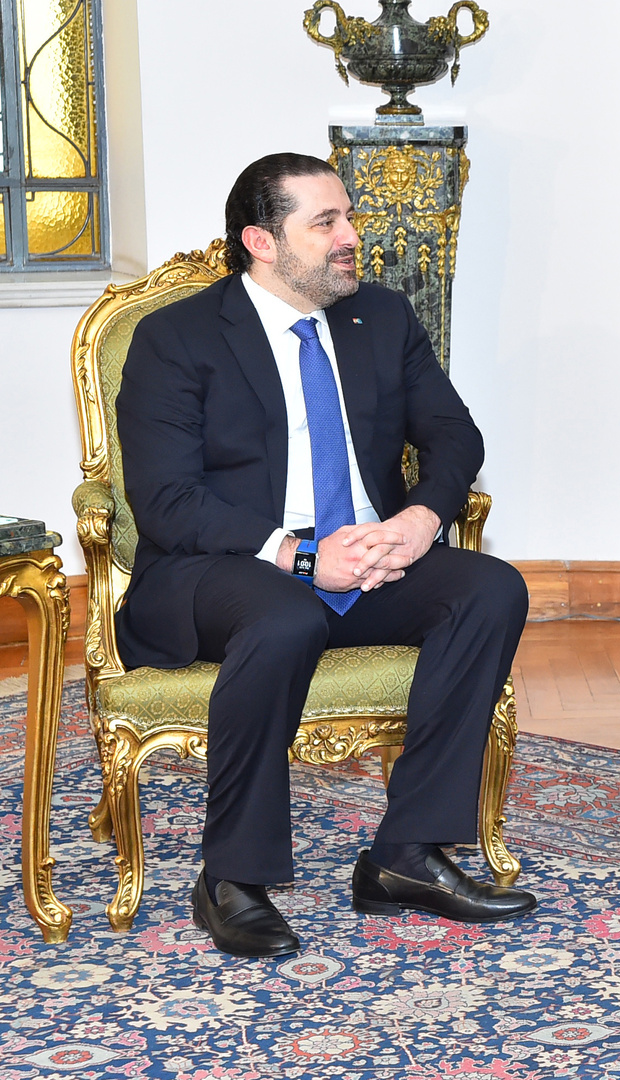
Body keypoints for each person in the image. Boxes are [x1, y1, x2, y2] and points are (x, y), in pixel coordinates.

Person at [115, 153, 535, 958]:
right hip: (226, 566)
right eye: (326, 223)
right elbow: (166, 501)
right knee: (284, 617)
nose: (351, 237)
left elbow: (454, 435)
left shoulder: (380, 316)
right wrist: (301, 556)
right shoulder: (176, 338)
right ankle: (231, 878)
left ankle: (406, 854)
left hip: (369, 555)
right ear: (262, 242)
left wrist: (416, 522)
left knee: (489, 590)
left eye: (349, 217)